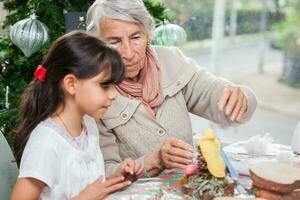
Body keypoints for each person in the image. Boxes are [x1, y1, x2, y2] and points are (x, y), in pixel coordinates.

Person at [86, 0, 257, 177]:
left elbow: (216, 96)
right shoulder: (93, 94)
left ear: (148, 35)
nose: (128, 53)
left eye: (136, 38)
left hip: (190, 188)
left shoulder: (171, 60)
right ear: (98, 45)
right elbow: (104, 173)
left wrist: (240, 98)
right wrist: (154, 161)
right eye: (114, 42)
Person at [10, 31, 143, 200]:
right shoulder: (46, 144)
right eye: (105, 86)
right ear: (71, 84)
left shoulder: (89, 124)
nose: (113, 95)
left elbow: (80, 185)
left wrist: (115, 177)